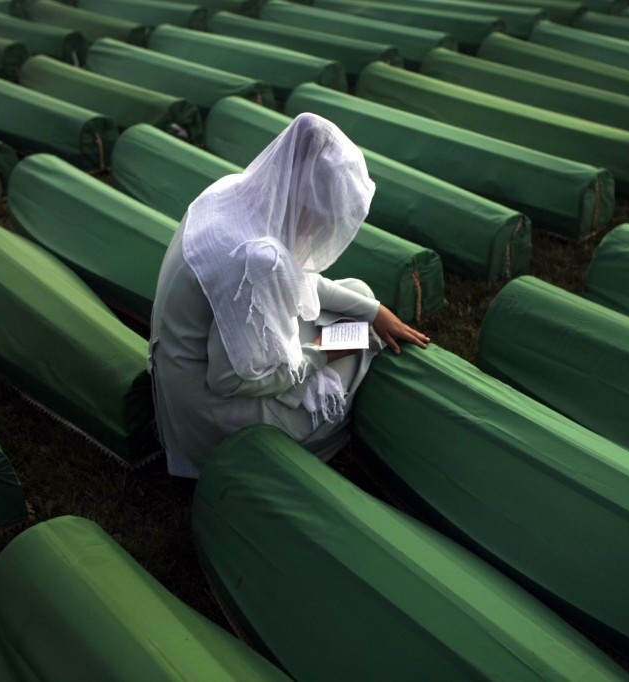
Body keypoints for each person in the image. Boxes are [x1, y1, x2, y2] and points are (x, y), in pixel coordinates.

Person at [148, 113, 429, 478]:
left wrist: (374, 309)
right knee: (358, 353)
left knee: (359, 296)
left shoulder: (233, 192)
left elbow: (299, 279)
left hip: (185, 367)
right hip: (207, 410)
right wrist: (325, 353)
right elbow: (229, 381)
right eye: (323, 219)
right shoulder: (256, 259)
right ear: (307, 206)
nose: (319, 233)